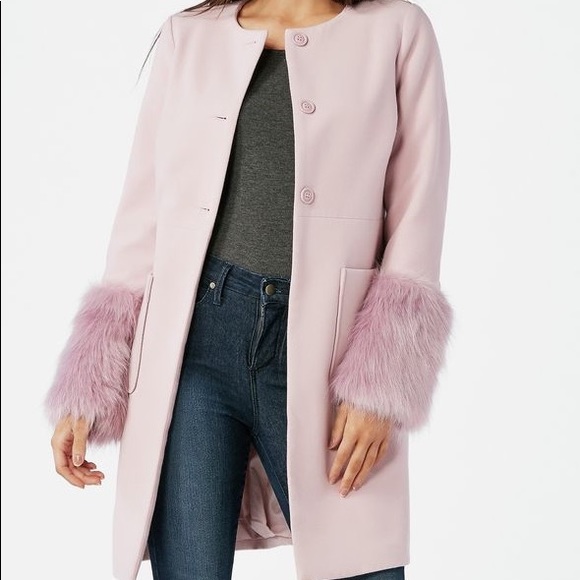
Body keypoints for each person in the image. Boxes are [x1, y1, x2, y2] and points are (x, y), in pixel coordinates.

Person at [44, 1, 453, 579]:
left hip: (332, 356)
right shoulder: (188, 36)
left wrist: (381, 382)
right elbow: (143, 214)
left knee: (361, 563)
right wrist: (88, 386)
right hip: (193, 349)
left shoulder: (396, 30)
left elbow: (418, 207)